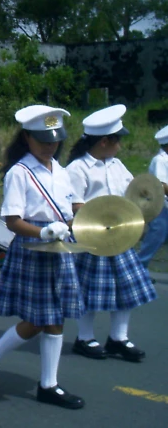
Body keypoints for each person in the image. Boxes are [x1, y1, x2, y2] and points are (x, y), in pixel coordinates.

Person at [0, 105, 85, 410]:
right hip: (34, 247)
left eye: (55, 140)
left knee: (55, 316)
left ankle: (48, 384)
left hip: (60, 246)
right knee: (37, 319)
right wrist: (43, 233)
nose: (51, 146)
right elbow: (12, 221)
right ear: (27, 137)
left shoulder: (61, 172)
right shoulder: (19, 172)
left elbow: (74, 211)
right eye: (43, 140)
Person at [66, 105, 156, 362]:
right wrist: (107, 212)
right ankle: (84, 338)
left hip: (119, 235)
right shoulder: (79, 168)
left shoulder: (116, 164)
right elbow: (74, 204)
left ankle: (118, 337)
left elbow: (132, 191)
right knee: (90, 290)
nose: (120, 146)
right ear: (105, 141)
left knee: (126, 288)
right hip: (93, 236)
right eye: (118, 140)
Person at [137, 125, 168, 272]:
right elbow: (161, 185)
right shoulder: (160, 160)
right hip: (161, 205)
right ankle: (140, 266)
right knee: (157, 235)